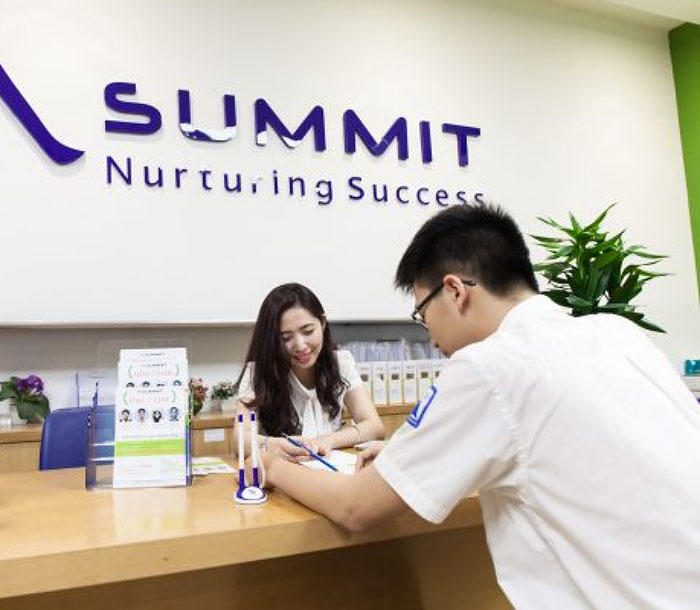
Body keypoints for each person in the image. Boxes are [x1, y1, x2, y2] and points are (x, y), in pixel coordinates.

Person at [256, 204, 700, 609]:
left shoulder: (486, 366)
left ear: (454, 290)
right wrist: (402, 456)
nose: (430, 337)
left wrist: (271, 466)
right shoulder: (618, 333)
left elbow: (356, 508)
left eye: (422, 313)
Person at [234, 283, 384, 460]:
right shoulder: (258, 373)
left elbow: (374, 426)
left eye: (308, 331)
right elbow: (240, 440)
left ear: (323, 323)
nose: (300, 345)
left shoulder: (341, 363)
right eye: (285, 338)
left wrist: (325, 441)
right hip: (281, 469)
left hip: (329, 466)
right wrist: (274, 445)